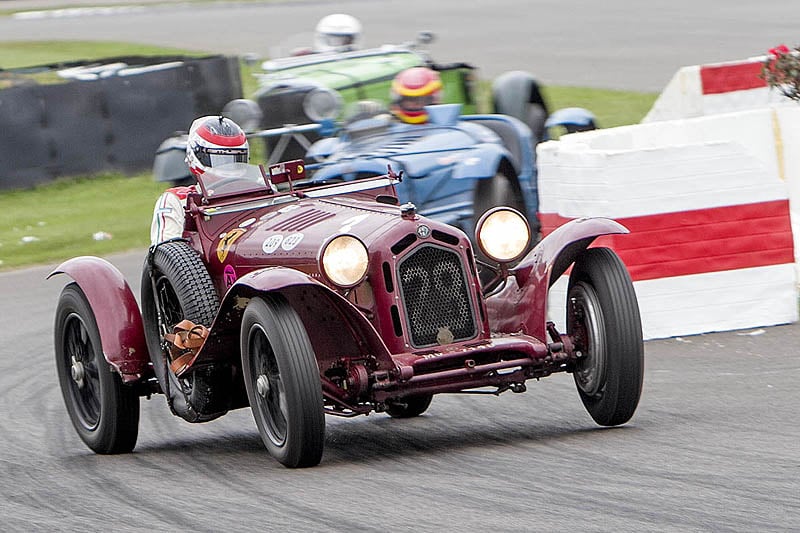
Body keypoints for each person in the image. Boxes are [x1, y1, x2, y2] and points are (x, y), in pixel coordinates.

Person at [150, 116, 249, 246]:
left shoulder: (265, 193)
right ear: (196, 155)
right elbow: (166, 255)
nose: (228, 169)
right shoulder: (178, 201)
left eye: (235, 160)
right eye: (220, 161)